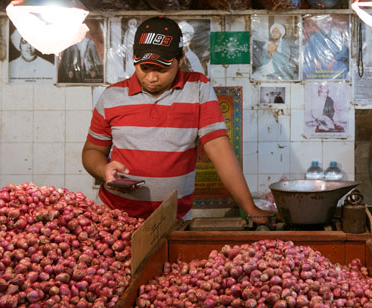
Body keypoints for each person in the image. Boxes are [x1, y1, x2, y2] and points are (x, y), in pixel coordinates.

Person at [82, 16, 270, 223]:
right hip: (115, 217)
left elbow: (218, 147)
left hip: (173, 219)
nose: (152, 78)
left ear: (180, 59)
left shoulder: (198, 88)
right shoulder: (111, 97)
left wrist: (249, 208)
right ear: (134, 58)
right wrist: (103, 169)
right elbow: (92, 152)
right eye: (144, 68)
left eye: (162, 69)